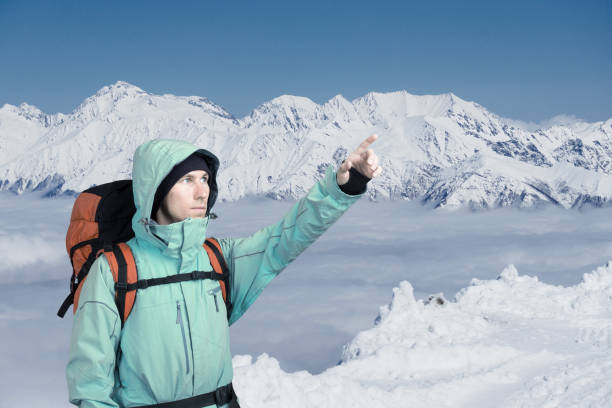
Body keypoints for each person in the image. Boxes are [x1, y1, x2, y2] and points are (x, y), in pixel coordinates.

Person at [66, 135, 383, 408]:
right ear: (156, 191)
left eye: (204, 179)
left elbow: (286, 237)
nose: (202, 191)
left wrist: (343, 188)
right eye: (187, 180)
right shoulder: (114, 270)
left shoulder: (217, 258)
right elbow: (91, 383)